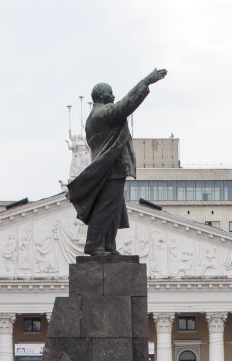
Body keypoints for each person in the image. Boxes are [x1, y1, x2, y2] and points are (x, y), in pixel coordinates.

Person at [67, 68, 167, 257]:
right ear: (103, 96)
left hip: (112, 169)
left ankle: (108, 245)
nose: (113, 96)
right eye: (111, 93)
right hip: (110, 169)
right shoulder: (101, 114)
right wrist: (146, 81)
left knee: (114, 209)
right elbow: (125, 105)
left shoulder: (98, 117)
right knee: (106, 207)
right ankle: (94, 245)